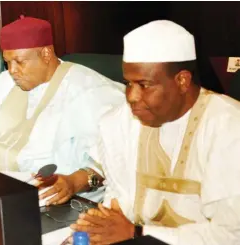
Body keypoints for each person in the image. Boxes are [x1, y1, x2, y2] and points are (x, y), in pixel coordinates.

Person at [71, 20, 240, 245]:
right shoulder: (120, 121)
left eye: (144, 84)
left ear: (182, 80)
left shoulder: (228, 126)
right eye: (128, 83)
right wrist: (102, 226)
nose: (131, 96)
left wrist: (137, 233)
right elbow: (118, 197)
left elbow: (231, 235)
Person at [0, 16, 125, 203]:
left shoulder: (89, 90)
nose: (12, 70)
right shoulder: (5, 82)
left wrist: (73, 182)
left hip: (60, 202)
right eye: (7, 62)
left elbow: (114, 161)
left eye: (19, 62)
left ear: (45, 54)